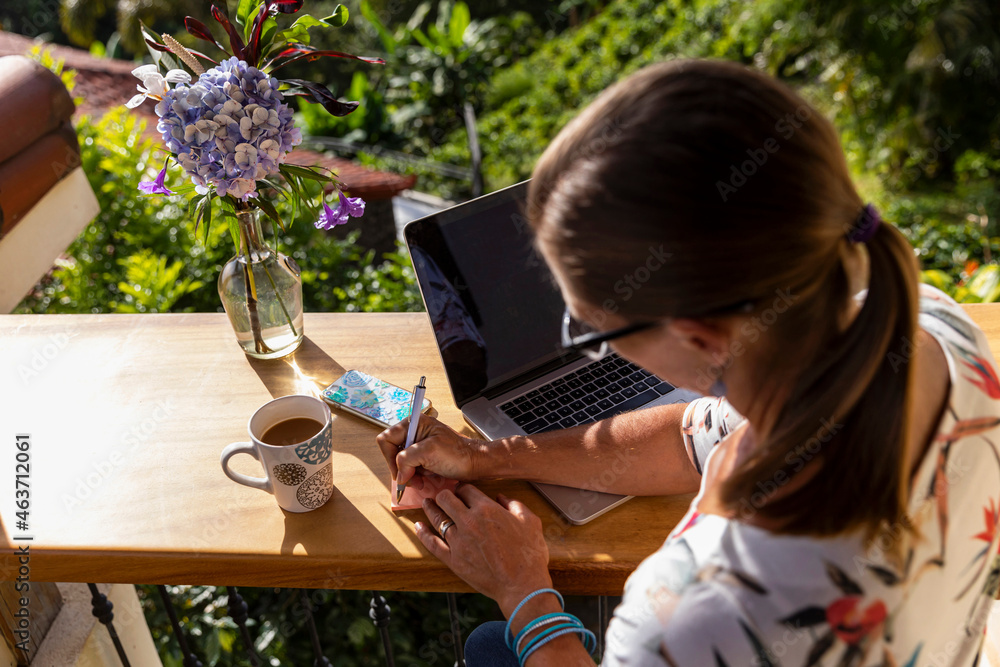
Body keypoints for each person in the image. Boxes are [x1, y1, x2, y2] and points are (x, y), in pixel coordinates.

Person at [376, 59, 1000, 665]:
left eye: (590, 324)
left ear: (701, 336)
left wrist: (525, 596)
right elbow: (690, 434)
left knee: (489, 647)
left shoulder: (693, 617)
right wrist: (489, 457)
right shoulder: (930, 323)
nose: (589, 338)